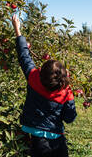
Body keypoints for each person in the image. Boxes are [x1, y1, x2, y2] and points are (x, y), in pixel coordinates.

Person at [11, 14, 77, 157]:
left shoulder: (34, 77)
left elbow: (24, 56)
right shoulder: (66, 93)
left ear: (41, 73)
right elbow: (69, 118)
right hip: (57, 139)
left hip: (37, 139)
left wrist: (18, 31)